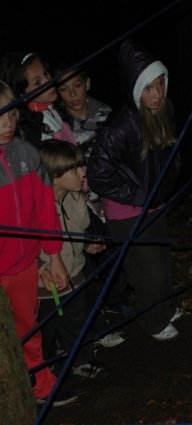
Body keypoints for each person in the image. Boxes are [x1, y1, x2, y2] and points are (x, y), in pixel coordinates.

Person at [87, 40, 181, 341]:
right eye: (148, 88)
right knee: (148, 271)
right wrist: (138, 194)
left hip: (155, 203)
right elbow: (98, 176)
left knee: (163, 263)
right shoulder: (119, 126)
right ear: (134, 89)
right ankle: (152, 321)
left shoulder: (163, 110)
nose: (157, 93)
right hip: (127, 211)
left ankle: (165, 308)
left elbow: (171, 152)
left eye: (160, 84)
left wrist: (168, 179)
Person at [0, 80, 77, 406]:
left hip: (25, 267)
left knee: (28, 329)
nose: (8, 123)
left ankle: (41, 385)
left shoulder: (28, 154)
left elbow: (46, 208)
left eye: (11, 114)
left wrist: (53, 256)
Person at [56, 66, 135, 317]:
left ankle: (117, 297)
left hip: (111, 195)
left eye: (77, 86)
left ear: (87, 84)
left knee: (114, 247)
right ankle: (91, 306)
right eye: (64, 89)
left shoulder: (106, 113)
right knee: (88, 252)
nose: (73, 94)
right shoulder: (59, 124)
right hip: (80, 198)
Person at [36, 140, 114, 381]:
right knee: (43, 333)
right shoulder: (33, 207)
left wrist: (91, 242)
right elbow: (23, 248)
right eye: (75, 169)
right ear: (54, 177)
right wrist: (40, 269)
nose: (83, 173)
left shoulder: (76, 199)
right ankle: (42, 374)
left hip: (76, 277)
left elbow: (85, 229)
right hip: (44, 288)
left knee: (76, 323)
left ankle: (81, 361)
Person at [0, 53, 76, 146]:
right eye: (38, 82)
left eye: (45, 73)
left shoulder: (55, 105)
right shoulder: (30, 131)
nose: (49, 82)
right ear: (22, 95)